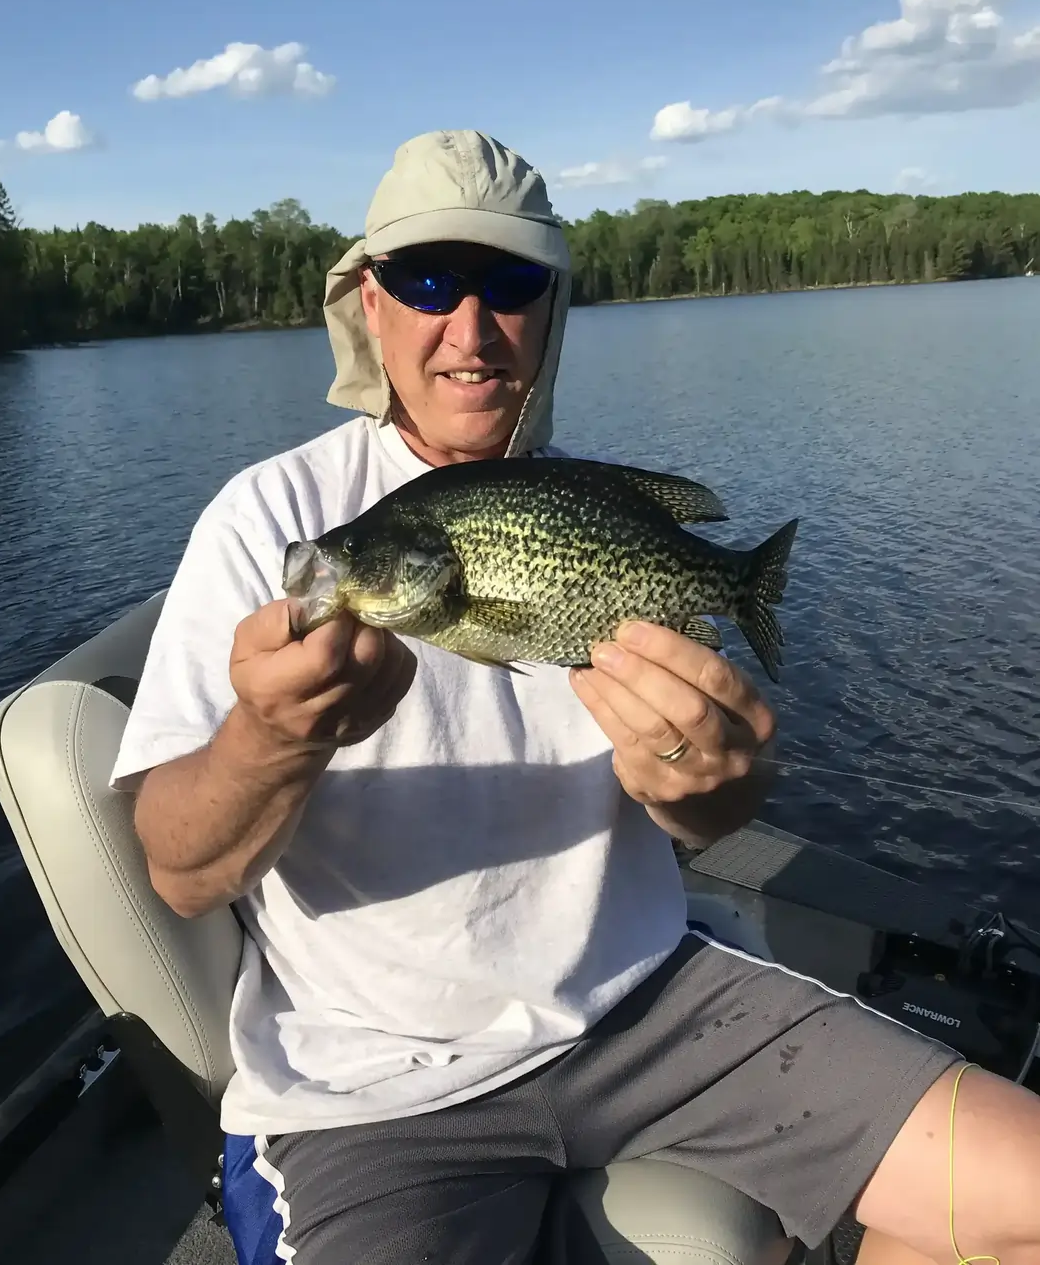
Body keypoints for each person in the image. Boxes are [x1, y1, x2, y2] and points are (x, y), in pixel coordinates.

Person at [111, 130, 1040, 1265]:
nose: (468, 323)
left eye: (510, 283)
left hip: (647, 995)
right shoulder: (269, 521)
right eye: (425, 280)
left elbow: (697, 818)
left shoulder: (584, 501)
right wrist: (270, 734)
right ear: (367, 302)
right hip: (375, 1083)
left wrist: (718, 789)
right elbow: (179, 867)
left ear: (552, 308)